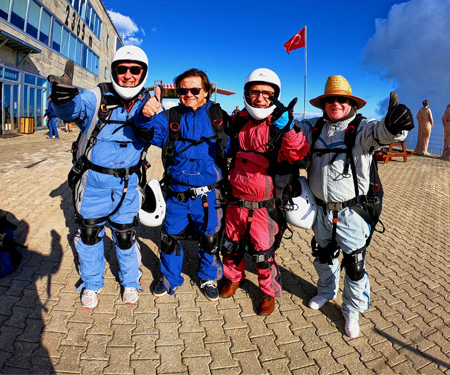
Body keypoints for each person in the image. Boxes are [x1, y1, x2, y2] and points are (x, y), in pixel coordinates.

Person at [295, 75, 414, 338]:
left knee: (355, 264)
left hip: (352, 212)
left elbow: (384, 133)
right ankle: (326, 292)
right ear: (323, 104)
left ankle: (351, 309)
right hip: (321, 210)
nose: (335, 104)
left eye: (342, 99)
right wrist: (279, 119)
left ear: (351, 103)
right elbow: (289, 131)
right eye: (330, 100)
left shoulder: (362, 128)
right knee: (324, 256)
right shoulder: (313, 127)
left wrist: (396, 125)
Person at [47, 46, 151, 309]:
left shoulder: (148, 104)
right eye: (122, 69)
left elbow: (163, 134)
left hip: (127, 184)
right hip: (93, 182)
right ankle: (92, 283)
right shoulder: (97, 95)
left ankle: (130, 280)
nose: (128, 75)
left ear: (143, 73)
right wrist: (62, 99)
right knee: (90, 234)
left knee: (125, 236)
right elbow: (73, 110)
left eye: (135, 70)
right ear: (114, 71)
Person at [219, 68, 309, 315]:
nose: (260, 98)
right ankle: (233, 277)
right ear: (246, 94)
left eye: (267, 94)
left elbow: (299, 155)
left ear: (276, 96)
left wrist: (288, 129)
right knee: (231, 245)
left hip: (265, 206)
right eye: (255, 92)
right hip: (235, 201)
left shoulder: (280, 125)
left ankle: (268, 291)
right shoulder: (237, 122)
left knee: (263, 253)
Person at [134, 68, 230, 301]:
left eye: (195, 90)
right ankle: (169, 278)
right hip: (176, 194)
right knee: (169, 239)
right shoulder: (170, 117)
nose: (189, 94)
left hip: (209, 195)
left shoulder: (219, 118)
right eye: (183, 90)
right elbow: (148, 131)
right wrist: (144, 115)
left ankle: (208, 277)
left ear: (206, 91)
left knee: (210, 239)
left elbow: (238, 145)